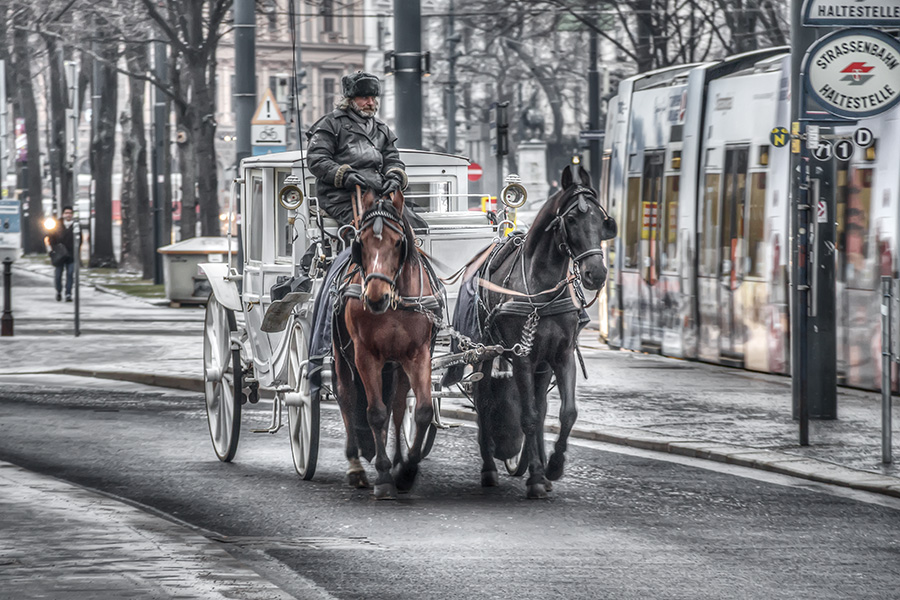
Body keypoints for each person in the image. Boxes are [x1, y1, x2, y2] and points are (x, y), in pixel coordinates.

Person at [306, 71, 416, 229]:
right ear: (349, 100)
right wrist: (345, 175)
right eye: (365, 98)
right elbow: (317, 159)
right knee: (368, 230)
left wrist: (394, 177)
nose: (371, 103)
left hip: (380, 196)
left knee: (412, 226)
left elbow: (392, 159)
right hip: (341, 198)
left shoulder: (381, 129)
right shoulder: (330, 124)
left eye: (373, 98)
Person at [45, 206, 76, 302]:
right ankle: (58, 291)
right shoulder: (57, 225)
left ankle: (68, 293)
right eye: (66, 213)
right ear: (63, 214)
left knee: (70, 274)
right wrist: (54, 250)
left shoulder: (76, 225)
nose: (68, 215)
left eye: (70, 213)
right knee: (58, 275)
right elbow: (50, 238)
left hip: (71, 254)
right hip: (59, 255)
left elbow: (80, 239)